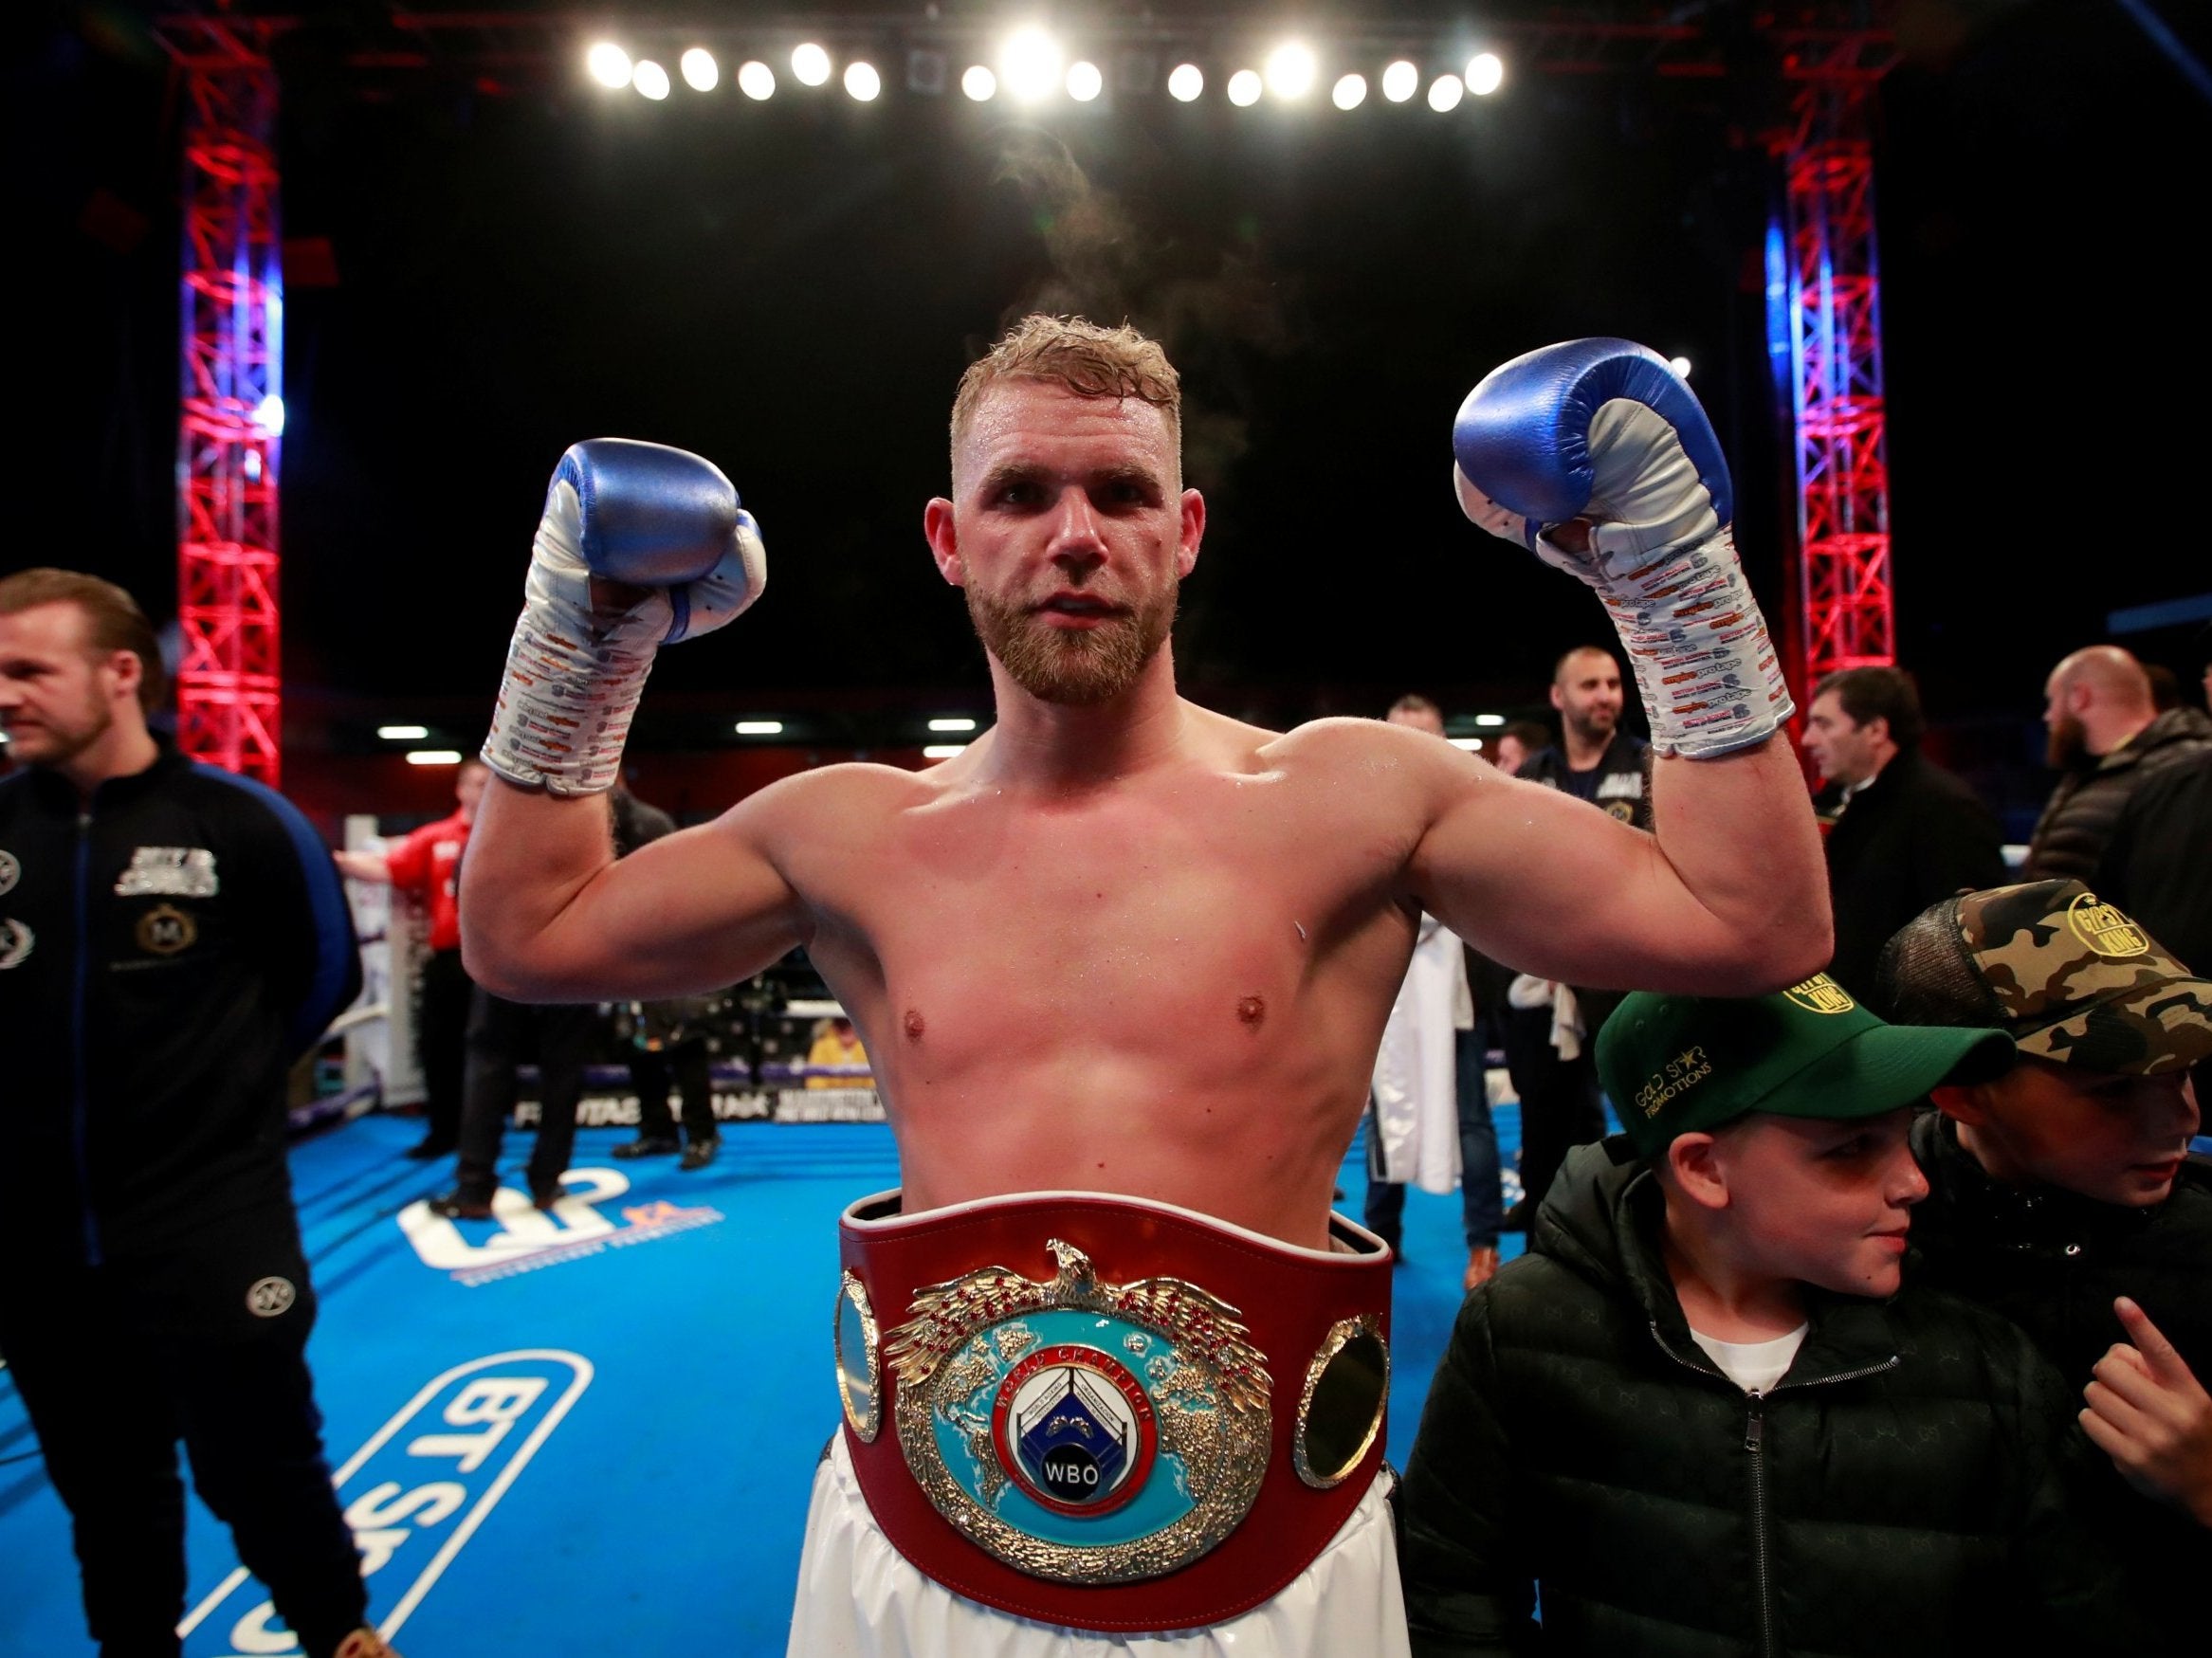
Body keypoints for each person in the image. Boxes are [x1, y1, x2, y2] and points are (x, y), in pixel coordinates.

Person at [459, 323, 1827, 1651]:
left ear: (1183, 532)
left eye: (1118, 493)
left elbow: (1752, 919)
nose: (1073, 534)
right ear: (949, 539)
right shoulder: (848, 836)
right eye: (1020, 494)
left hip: (1274, 1577)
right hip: (919, 1564)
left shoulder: (1354, 799)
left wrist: (1665, 575)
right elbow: (529, 936)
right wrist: (586, 647)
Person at [1398, 977, 2142, 1657]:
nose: (1913, 1180)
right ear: (1702, 1168)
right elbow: (1449, 1591)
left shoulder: (1979, 1362)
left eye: (1903, 1131)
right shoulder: (1527, 1331)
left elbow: (2078, 1615)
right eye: (1852, 1148)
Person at [0, 569, 395, 1658]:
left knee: (262, 1463)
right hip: (37, 1249)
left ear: (121, 673)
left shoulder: (239, 823)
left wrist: (212, 1097)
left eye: (30, 670)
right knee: (104, 1492)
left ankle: (338, 1633)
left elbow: (322, 978)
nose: (6, 694)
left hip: (208, 1224)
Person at [1872, 879, 2212, 1631]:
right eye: (2115, 1090)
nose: (2179, 1119)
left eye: (2183, 1068)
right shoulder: (1865, 1238)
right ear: (1962, 1091)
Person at [1361, 696, 1482, 1276]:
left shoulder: (1476, 814)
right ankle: (1379, 1240)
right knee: (1383, 1113)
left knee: (1471, 1114)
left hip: (1454, 994)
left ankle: (1483, 1244)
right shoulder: (1352, 819)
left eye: (1426, 738)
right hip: (1376, 997)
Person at [1798, 665, 2005, 998]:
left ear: (1876, 730)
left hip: (1900, 1023)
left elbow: (1968, 941)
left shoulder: (1943, 808)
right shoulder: (1830, 803)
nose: (1808, 739)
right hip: (1838, 1010)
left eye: (1824, 724)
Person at [335, 756, 490, 1158]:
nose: (484, 788)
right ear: (460, 788)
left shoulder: (509, 837)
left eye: (491, 781)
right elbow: (389, 869)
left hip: (499, 960)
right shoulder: (436, 838)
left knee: (496, 1052)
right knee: (439, 1049)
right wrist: (332, 861)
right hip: (449, 958)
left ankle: (487, 1138)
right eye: (476, 781)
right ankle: (444, 1132)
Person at [608, 784, 724, 1168]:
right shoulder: (596, 826)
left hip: (669, 949)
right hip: (625, 947)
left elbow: (676, 889)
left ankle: (701, 1135)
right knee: (635, 1044)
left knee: (684, 1042)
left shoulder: (648, 823)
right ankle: (657, 1131)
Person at [2025, 645, 2212, 881]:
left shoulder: (2180, 771)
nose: (2048, 716)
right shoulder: (2090, 772)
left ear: (2079, 697)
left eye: (2052, 702)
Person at [805, 1012, 872, 1089]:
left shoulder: (869, 1047)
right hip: (828, 1098)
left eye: (851, 1023)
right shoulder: (822, 1045)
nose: (846, 1028)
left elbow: (874, 1083)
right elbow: (815, 1081)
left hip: (863, 1098)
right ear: (834, 1025)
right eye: (840, 1023)